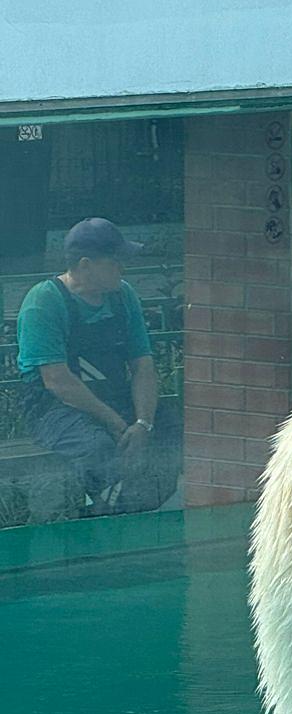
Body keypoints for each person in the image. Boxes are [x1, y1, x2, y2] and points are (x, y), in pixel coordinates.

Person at [16, 217, 163, 514]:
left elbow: (143, 366)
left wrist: (143, 423)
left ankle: (135, 509)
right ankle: (98, 515)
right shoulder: (43, 302)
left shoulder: (124, 296)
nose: (123, 268)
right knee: (98, 449)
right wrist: (119, 425)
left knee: (170, 435)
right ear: (85, 265)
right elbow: (58, 381)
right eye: (115, 261)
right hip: (54, 408)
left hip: (116, 398)